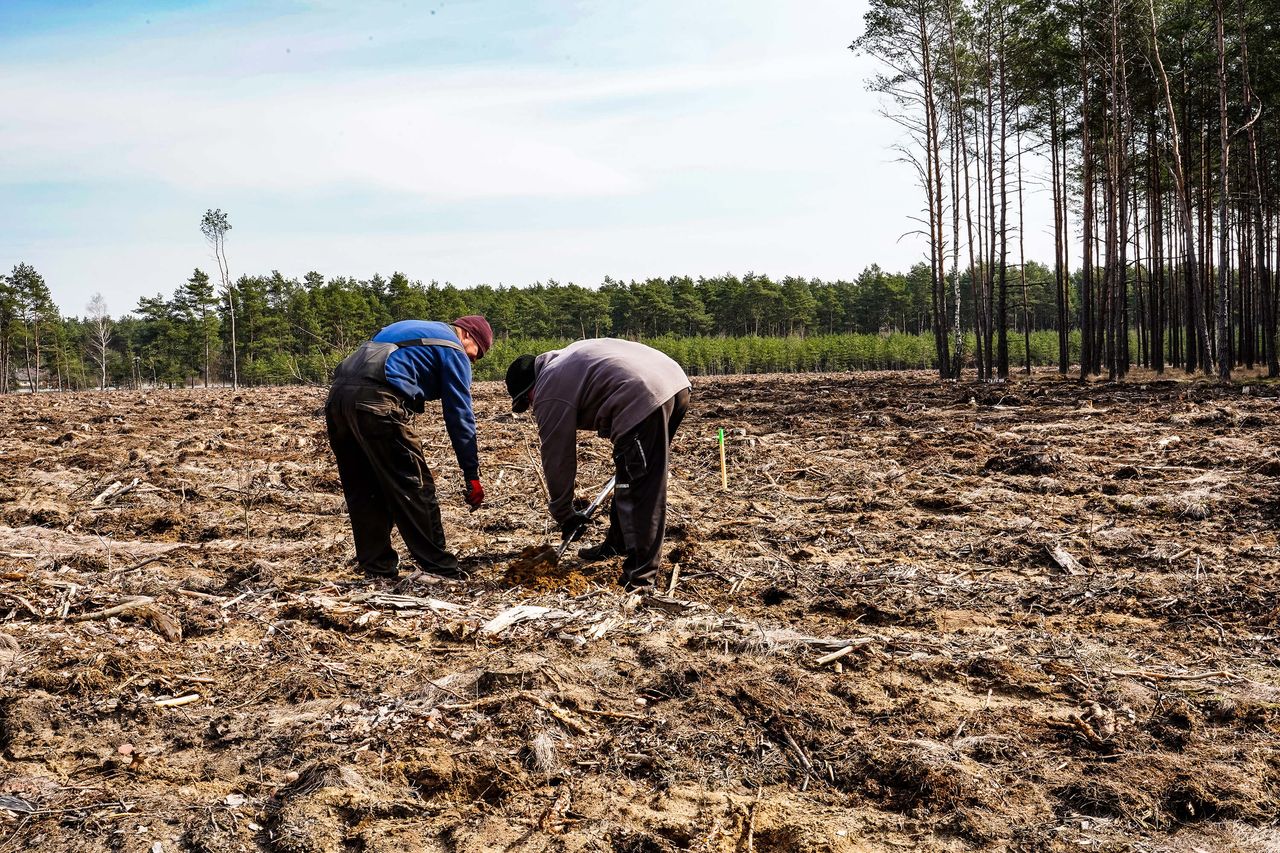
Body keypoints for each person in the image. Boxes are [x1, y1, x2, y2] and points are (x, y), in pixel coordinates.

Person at [506, 339, 691, 593]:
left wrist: (564, 515)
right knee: (630, 472)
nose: (532, 407)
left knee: (640, 487)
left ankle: (641, 577)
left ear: (530, 389)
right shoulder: (564, 359)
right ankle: (617, 544)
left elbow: (557, 457)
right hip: (674, 384)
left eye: (527, 402)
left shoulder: (548, 388)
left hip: (642, 394)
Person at [326, 315, 493, 580]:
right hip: (379, 404)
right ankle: (440, 567)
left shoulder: (404, 328)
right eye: (477, 355)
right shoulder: (454, 349)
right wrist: (471, 473)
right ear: (468, 336)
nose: (473, 361)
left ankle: (377, 568)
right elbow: (459, 415)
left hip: (337, 400)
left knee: (364, 488)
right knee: (414, 485)